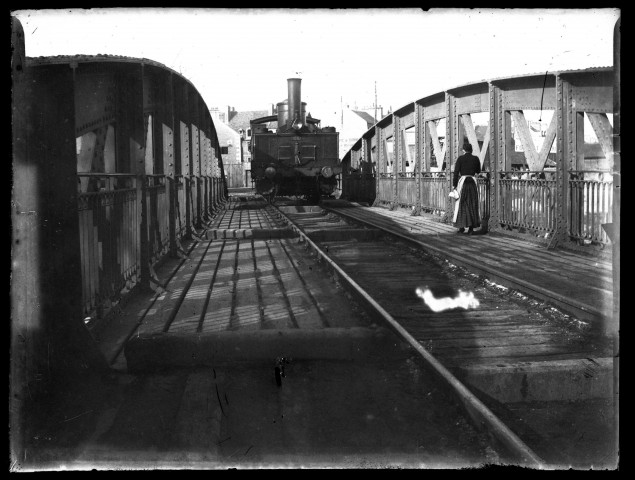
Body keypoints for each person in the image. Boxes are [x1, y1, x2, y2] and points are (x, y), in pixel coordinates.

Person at [452, 143, 481, 235]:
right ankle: (471, 229)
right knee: (472, 203)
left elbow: (456, 172)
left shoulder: (460, 159)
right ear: (471, 150)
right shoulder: (476, 158)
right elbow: (478, 171)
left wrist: (454, 185)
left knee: (462, 204)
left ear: (464, 150)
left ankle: (461, 227)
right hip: (472, 182)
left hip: (463, 183)